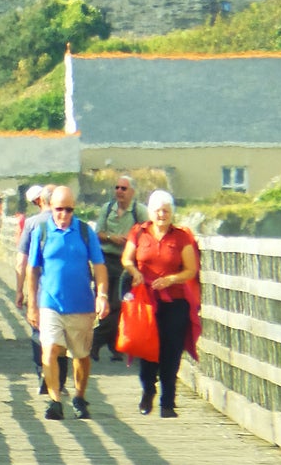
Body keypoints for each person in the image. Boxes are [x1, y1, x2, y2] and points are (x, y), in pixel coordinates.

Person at [25, 185, 109, 420]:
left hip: (81, 305)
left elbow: (99, 266)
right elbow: (33, 270)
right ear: (50, 207)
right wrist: (32, 304)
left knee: (81, 355)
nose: (64, 215)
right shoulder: (41, 231)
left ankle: (79, 397)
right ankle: (54, 401)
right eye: (59, 209)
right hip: (50, 303)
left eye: (69, 210)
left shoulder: (84, 231)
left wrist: (101, 296)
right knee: (50, 350)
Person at [122, 189, 202, 418]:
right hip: (146, 301)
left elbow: (190, 269)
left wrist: (171, 279)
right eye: (158, 210)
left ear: (171, 213)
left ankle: (168, 401)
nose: (162, 214)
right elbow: (127, 258)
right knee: (147, 348)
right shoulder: (139, 233)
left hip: (175, 301)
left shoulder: (180, 237)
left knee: (171, 351)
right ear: (151, 212)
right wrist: (134, 272)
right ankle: (148, 389)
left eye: (166, 210)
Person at [14, 184, 67, 395]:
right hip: (65, 291)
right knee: (62, 337)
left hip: (41, 290)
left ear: (41, 201)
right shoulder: (71, 223)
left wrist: (20, 290)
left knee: (39, 332)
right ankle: (59, 383)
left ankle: (43, 373)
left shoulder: (32, 223)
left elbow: (22, 261)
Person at [91, 175, 147, 361]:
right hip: (106, 259)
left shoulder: (139, 212)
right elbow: (97, 233)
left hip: (126, 263)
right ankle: (111, 345)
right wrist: (110, 238)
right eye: (117, 188)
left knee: (120, 304)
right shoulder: (107, 209)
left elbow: (148, 234)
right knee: (107, 303)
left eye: (124, 188)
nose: (119, 191)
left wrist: (132, 242)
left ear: (132, 192)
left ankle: (97, 341)